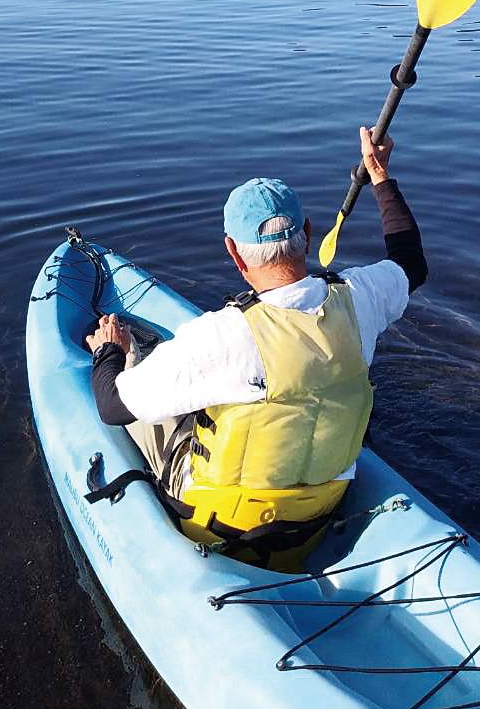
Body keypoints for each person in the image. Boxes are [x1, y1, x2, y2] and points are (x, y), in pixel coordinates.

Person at [87, 127, 427, 562]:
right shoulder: (361, 297)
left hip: (218, 525)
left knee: (132, 384)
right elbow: (410, 262)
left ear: (233, 251)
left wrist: (111, 351)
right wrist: (380, 176)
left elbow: (112, 407)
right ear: (307, 231)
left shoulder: (224, 334)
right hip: (315, 517)